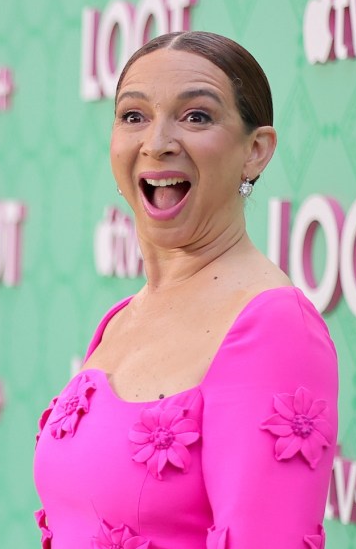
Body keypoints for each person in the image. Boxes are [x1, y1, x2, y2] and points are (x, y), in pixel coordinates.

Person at [33, 31, 337, 548]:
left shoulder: (274, 327)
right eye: (134, 116)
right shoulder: (121, 319)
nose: (157, 142)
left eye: (196, 116)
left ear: (256, 152)